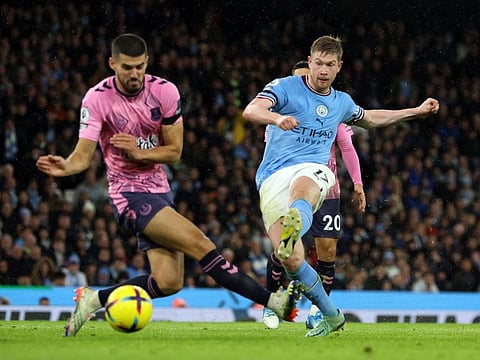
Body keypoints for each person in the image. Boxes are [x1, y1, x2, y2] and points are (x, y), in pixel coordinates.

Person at [36, 33, 300, 337]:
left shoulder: (164, 92)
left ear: (147, 62)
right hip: (128, 195)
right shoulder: (97, 98)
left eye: (139, 66)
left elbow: (174, 151)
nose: (134, 73)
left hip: (160, 191)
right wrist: (66, 166)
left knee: (168, 282)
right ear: (112, 64)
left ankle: (94, 298)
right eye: (126, 67)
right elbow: (82, 156)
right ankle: (273, 301)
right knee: (201, 245)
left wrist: (138, 151)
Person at [242, 35, 439, 337]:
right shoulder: (284, 87)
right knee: (291, 258)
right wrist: (276, 118)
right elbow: (250, 111)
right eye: (318, 63)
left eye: (329, 65)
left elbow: (371, 118)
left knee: (304, 187)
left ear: (339, 67)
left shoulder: (341, 102)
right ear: (310, 62)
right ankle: (332, 316)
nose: (323, 70)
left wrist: (415, 110)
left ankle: (298, 218)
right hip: (271, 177)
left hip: (314, 170)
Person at [262, 60, 366, 330]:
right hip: (291, 182)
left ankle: (319, 312)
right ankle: (271, 304)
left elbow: (348, 148)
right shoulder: (282, 111)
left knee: (327, 251)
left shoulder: (333, 112)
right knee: (286, 251)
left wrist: (358, 183)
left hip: (326, 186)